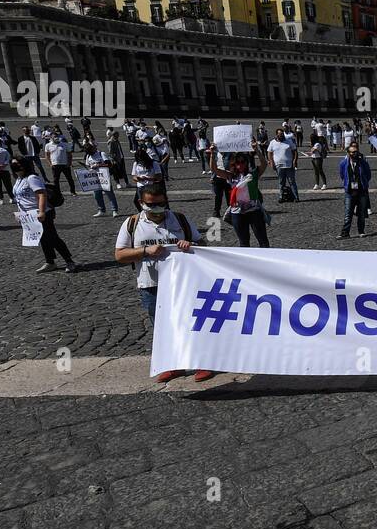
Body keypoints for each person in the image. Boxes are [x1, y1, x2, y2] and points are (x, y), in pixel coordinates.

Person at [113, 181, 215, 385]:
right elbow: (119, 255)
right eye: (151, 205)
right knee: (162, 326)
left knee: (193, 322)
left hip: (184, 283)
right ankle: (172, 364)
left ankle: (202, 361)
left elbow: (202, 245)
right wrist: (144, 251)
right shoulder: (132, 223)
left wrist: (190, 245)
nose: (157, 209)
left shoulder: (180, 219)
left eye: (160, 204)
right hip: (151, 284)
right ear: (142, 203)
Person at [11, 157, 76, 273]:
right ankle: (50, 262)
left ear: (24, 165)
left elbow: (42, 194)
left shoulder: (32, 178)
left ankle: (69, 261)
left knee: (53, 238)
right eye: (13, 165)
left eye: (17, 164)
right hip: (29, 216)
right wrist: (20, 215)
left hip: (41, 213)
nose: (15, 166)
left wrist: (41, 212)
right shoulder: (18, 179)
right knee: (42, 239)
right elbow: (19, 198)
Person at [214, 145, 270, 247]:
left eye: (243, 162)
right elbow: (214, 169)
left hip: (254, 211)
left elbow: (264, 164)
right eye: (237, 162)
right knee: (244, 243)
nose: (240, 165)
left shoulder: (253, 174)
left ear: (247, 163)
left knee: (263, 242)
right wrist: (212, 153)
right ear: (234, 164)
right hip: (238, 213)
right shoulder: (231, 176)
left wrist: (256, 149)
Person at [338, 141, 372, 239]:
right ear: (348, 153)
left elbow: (368, 175)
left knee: (361, 213)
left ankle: (361, 231)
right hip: (350, 191)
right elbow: (342, 175)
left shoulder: (363, 163)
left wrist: (364, 184)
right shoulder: (343, 163)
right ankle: (345, 233)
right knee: (348, 214)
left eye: (355, 152)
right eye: (352, 152)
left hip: (361, 191)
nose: (354, 154)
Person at [84, 142, 119, 216]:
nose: (90, 154)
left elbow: (109, 164)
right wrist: (88, 169)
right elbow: (87, 166)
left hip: (104, 177)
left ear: (93, 149)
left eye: (90, 152)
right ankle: (101, 210)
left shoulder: (101, 154)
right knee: (97, 195)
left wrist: (98, 165)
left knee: (109, 194)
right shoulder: (88, 156)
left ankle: (114, 210)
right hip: (95, 178)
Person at [267, 128, 298, 203]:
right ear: (277, 134)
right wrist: (271, 162)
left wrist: (295, 161)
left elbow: (295, 151)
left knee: (292, 182)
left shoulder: (289, 141)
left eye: (282, 134)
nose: (281, 135)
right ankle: (282, 197)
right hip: (279, 166)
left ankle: (296, 197)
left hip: (289, 165)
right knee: (281, 182)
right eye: (279, 134)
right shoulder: (272, 142)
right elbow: (269, 153)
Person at [44, 131, 76, 196]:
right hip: (55, 165)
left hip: (65, 165)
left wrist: (69, 163)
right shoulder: (48, 145)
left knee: (69, 179)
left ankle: (73, 191)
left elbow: (69, 154)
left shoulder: (64, 144)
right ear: (51, 138)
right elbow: (47, 156)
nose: (56, 138)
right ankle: (58, 192)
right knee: (56, 180)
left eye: (57, 136)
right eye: (54, 137)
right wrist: (50, 164)